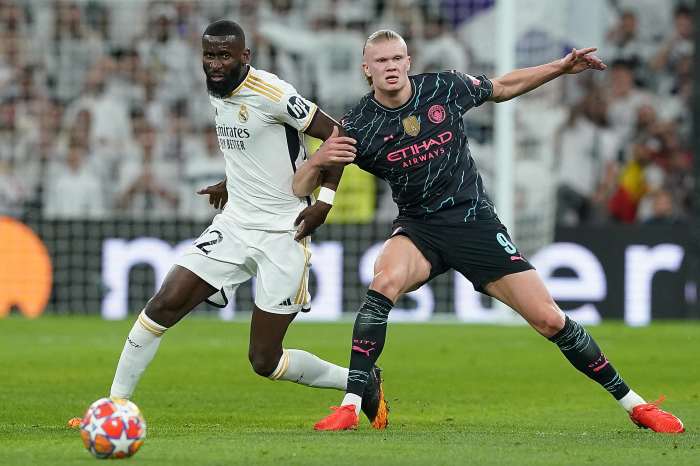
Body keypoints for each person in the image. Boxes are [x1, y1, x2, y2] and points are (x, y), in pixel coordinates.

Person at [293, 30, 684, 433]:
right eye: (381, 62)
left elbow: (503, 86)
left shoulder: (443, 87)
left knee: (549, 319)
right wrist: (317, 159)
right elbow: (303, 184)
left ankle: (636, 405)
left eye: (397, 59)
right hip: (419, 228)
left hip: (473, 223)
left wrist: (561, 67)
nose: (390, 67)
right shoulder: (359, 123)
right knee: (384, 280)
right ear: (366, 69)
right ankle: (351, 404)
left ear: (408, 61)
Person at [68, 19, 388, 429]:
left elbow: (338, 136)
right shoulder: (216, 87)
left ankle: (359, 380)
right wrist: (231, 182)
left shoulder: (274, 94)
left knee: (264, 360)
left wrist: (324, 202)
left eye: (224, 56)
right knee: (163, 304)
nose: (215, 64)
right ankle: (115, 406)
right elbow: (254, 147)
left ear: (244, 57)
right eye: (209, 55)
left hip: (283, 233)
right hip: (235, 225)